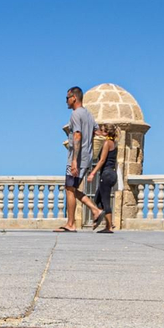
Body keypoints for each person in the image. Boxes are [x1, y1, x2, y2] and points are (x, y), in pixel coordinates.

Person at [56, 87, 96, 232]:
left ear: (74, 98)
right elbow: (97, 131)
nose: (66, 101)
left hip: (78, 158)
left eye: (67, 98)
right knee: (72, 188)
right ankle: (95, 210)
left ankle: (71, 224)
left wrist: (74, 161)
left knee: (69, 189)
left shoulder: (75, 114)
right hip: (87, 157)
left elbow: (77, 136)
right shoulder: (88, 115)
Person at [84, 125, 117, 233]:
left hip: (107, 174)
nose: (99, 132)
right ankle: (102, 217)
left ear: (106, 133)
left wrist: (92, 173)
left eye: (101, 131)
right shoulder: (113, 142)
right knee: (98, 198)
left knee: (105, 201)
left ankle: (109, 226)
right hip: (111, 173)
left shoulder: (107, 143)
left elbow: (102, 160)